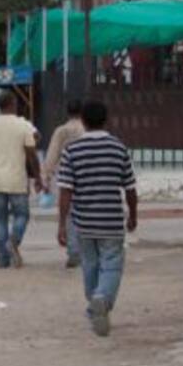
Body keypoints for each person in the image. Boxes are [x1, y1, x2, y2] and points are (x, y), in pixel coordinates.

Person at [56, 100, 138, 338]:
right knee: (112, 264)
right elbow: (130, 189)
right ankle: (102, 299)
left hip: (83, 222)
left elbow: (65, 192)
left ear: (82, 121)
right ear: (106, 120)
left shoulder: (72, 151)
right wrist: (133, 216)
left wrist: (62, 224)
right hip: (111, 220)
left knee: (90, 266)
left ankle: (95, 305)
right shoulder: (118, 148)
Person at [0, 91, 42, 269]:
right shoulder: (23, 125)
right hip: (17, 180)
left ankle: (3, 259)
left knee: (0, 219)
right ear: (13, 103)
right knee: (22, 215)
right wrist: (38, 177)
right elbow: (32, 155)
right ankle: (14, 241)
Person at [43, 100, 86, 268]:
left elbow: (52, 155)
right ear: (82, 112)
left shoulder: (61, 131)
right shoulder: (86, 129)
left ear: (67, 112)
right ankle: (87, 251)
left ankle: (74, 252)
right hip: (86, 178)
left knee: (68, 213)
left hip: (66, 177)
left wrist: (46, 176)